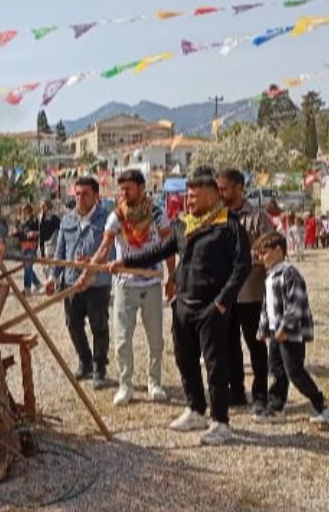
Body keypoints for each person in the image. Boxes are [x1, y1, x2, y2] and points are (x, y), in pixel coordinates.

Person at [110, 166, 251, 445]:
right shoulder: (183, 225)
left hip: (213, 308)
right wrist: (125, 262)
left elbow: (242, 266)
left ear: (212, 196)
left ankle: (220, 421)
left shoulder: (229, 226)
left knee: (215, 365)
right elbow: (157, 251)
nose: (189, 202)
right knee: (184, 360)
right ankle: (195, 408)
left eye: (195, 197)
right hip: (184, 306)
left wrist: (224, 302)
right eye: (188, 196)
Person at [85, 169, 173, 406]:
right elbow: (104, 248)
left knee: (155, 339)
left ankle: (154, 382)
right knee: (122, 339)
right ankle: (126, 385)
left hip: (152, 284)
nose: (124, 192)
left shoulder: (157, 214)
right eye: (121, 188)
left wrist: (172, 278)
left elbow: (168, 247)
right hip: (124, 285)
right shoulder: (116, 217)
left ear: (141, 188)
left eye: (129, 188)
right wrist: (88, 272)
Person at [254, 231, 329, 423]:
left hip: (291, 334)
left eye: (264, 253)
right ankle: (276, 407)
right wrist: (263, 329)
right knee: (276, 370)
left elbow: (296, 304)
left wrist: (286, 328)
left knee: (294, 371)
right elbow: (267, 307)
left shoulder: (289, 273)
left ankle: (321, 403)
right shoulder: (269, 277)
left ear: (278, 250)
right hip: (276, 333)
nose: (260, 258)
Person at [45, 176, 114, 390]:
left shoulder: (106, 220)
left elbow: (109, 250)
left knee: (99, 326)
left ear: (95, 196)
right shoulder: (67, 220)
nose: (80, 198)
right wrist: (52, 277)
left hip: (97, 284)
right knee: (73, 325)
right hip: (72, 283)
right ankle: (85, 361)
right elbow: (60, 252)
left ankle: (99, 368)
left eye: (85, 194)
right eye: (77, 194)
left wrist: (91, 263)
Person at [215, 169, 273, 414]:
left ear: (239, 187)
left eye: (224, 188)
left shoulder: (257, 217)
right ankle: (236, 390)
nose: (220, 193)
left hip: (251, 293)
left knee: (256, 345)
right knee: (229, 346)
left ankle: (261, 394)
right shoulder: (218, 217)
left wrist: (242, 259)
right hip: (227, 294)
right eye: (218, 188)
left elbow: (272, 251)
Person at [14, 203, 42, 296]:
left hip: (31, 246)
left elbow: (40, 231)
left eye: (25, 210)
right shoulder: (20, 221)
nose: (24, 212)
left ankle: (27, 289)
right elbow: (20, 233)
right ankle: (38, 284)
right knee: (27, 267)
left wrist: (33, 233)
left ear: (29, 210)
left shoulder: (34, 220)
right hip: (23, 246)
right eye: (23, 210)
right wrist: (15, 233)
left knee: (27, 267)